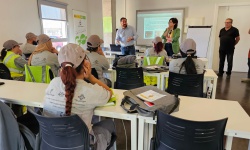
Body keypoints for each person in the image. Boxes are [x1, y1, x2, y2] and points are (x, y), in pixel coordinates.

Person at [43, 43, 115, 149]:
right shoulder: (90, 90)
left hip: (52, 143)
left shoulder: (53, 83)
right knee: (110, 124)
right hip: (83, 145)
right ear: (85, 65)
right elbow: (109, 92)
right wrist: (90, 77)